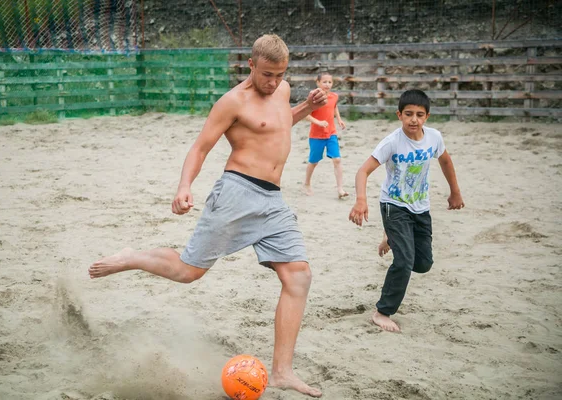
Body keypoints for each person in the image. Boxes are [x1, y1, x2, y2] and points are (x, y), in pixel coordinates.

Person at [88, 34, 325, 398]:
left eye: (280, 74)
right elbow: (200, 148)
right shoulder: (232, 102)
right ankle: (132, 257)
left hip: (273, 200)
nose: (274, 82)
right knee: (188, 271)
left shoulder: (282, 90)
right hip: (236, 193)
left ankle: (281, 372)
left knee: (299, 276)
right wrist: (184, 186)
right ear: (251, 65)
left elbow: (275, 128)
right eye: (266, 74)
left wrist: (305, 108)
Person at [348, 89, 465, 333]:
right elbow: (363, 171)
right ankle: (382, 311)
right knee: (403, 261)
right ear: (399, 115)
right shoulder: (392, 142)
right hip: (394, 205)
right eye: (409, 114)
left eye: (420, 115)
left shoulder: (434, 138)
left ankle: (392, 236)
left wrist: (455, 191)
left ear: (427, 117)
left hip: (420, 207)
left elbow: (445, 161)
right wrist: (361, 200)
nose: (414, 119)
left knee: (423, 264)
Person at [302, 72, 348, 199]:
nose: (327, 84)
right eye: (324, 82)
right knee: (313, 162)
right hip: (316, 135)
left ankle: (340, 189)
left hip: (331, 133)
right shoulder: (314, 98)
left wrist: (339, 119)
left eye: (329, 82)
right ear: (318, 83)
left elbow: (334, 107)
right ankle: (306, 184)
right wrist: (318, 122)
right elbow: (305, 115)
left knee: (337, 160)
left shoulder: (334, 96)